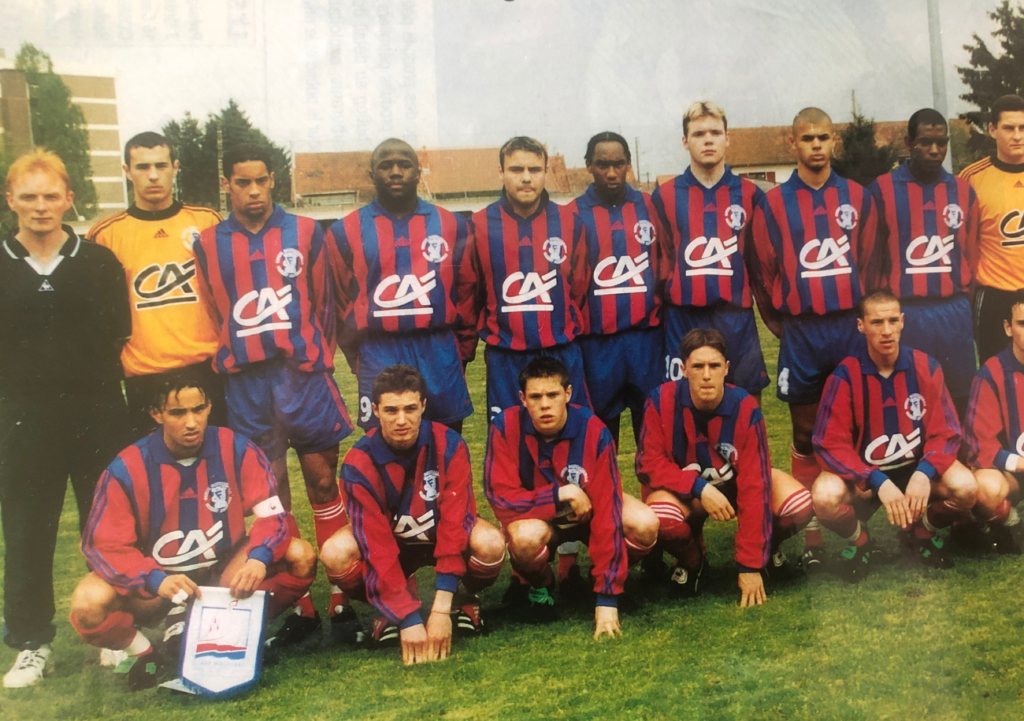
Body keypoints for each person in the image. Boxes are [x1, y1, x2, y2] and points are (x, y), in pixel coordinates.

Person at [192, 144, 354, 632]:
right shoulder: (208, 242)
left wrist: (311, 353)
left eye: (262, 181)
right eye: (243, 182)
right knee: (271, 493)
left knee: (323, 479)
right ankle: (299, 597)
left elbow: (325, 302)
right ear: (228, 185)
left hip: (301, 377)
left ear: (273, 181)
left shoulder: (305, 231)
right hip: (247, 384)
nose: (254, 191)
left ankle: (344, 592)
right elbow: (213, 309)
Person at [68, 376, 317, 690]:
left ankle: (235, 629)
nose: (191, 422)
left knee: (300, 555)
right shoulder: (126, 468)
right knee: (87, 604)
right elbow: (104, 546)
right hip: (159, 587)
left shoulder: (236, 448)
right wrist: (156, 580)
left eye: (198, 409)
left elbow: (273, 515)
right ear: (156, 413)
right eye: (177, 413)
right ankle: (143, 651)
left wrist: (258, 559)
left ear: (209, 406)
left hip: (223, 577)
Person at [0, 150, 131, 688]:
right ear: (10, 201)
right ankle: (33, 642)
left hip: (95, 412)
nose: (40, 207)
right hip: (23, 420)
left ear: (69, 199)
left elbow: (117, 336)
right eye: (28, 196)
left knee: (108, 529)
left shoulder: (98, 262)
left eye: (50, 195)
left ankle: (113, 630)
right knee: (28, 531)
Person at [751, 107, 879, 572]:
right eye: (808, 138)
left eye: (824, 137)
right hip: (802, 332)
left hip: (848, 326)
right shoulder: (774, 204)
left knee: (857, 429)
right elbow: (762, 274)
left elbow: (871, 263)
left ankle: (850, 518)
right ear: (793, 145)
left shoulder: (858, 198)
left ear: (834, 141)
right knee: (805, 433)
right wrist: (781, 324)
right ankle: (810, 532)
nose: (817, 145)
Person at [319, 365, 505, 662]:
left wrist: (441, 608)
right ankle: (390, 607)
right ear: (376, 411)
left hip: (439, 535)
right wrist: (408, 619)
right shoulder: (358, 463)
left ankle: (464, 597)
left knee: (491, 543)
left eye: (410, 408)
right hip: (394, 545)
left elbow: (455, 525)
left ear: (423, 407)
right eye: (391, 410)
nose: (402, 420)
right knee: (335, 553)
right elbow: (376, 546)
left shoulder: (450, 444)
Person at [484, 357, 659, 640]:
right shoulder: (504, 427)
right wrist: (558, 495)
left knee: (644, 523)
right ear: (522, 399)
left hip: (590, 514)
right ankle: (542, 585)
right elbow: (501, 498)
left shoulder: (594, 430)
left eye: (553, 395)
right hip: (542, 520)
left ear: (568, 393)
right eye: (535, 396)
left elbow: (608, 511)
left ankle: (600, 580)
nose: (544, 404)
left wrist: (607, 598)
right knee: (523, 537)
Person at [635, 329, 813, 605]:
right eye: (698, 366)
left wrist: (749, 565)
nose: (707, 374)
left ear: (726, 369)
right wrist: (699, 488)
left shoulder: (744, 407)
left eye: (714, 366)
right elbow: (648, 464)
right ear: (683, 369)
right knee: (661, 515)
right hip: (687, 492)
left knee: (798, 505)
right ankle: (694, 560)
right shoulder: (660, 401)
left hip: (735, 486)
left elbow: (755, 484)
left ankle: (767, 551)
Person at [811, 290, 976, 581]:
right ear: (861, 325)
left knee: (966, 487)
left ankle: (922, 533)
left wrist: (924, 473)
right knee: (824, 497)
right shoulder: (845, 376)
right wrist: (875, 479)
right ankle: (862, 542)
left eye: (891, 321)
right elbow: (828, 445)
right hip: (868, 480)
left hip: (915, 473)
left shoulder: (925, 367)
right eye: (876, 322)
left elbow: (947, 432)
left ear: (902, 322)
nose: (886, 331)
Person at [326, 138, 475, 434]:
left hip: (437, 347)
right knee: (383, 445)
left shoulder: (452, 225)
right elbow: (342, 303)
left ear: (419, 172)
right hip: (379, 348)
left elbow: (467, 292)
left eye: (404, 165)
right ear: (371, 174)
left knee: (445, 442)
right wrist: (359, 356)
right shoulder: (344, 231)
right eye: (386, 166)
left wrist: (460, 351)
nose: (396, 172)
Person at [88, 132, 226, 439]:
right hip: (145, 375)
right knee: (155, 478)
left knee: (215, 469)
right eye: (142, 167)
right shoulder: (106, 234)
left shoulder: (207, 221)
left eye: (161, 165)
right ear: (126, 171)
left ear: (175, 167)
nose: (153, 175)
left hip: (206, 367)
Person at [464, 136, 592, 422]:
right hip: (506, 356)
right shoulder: (478, 225)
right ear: (501, 172)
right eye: (516, 169)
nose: (526, 178)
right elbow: (472, 294)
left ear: (545, 172)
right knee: (508, 441)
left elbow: (579, 288)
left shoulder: (570, 223)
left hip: (561, 352)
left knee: (569, 439)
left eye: (534, 170)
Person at [651, 101, 770, 401]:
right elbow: (660, 259)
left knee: (745, 404)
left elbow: (758, 265)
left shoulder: (750, 194)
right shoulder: (664, 196)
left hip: (735, 319)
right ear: (685, 141)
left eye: (715, 132)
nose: (707, 140)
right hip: (683, 318)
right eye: (698, 133)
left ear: (727, 138)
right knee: (681, 406)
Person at [867, 109, 979, 417]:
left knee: (960, 399)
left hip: (953, 312)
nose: (934, 150)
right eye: (925, 142)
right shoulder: (882, 190)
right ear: (909, 143)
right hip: (907, 314)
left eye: (941, 142)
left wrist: (960, 302)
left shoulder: (963, 191)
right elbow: (872, 262)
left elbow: (971, 255)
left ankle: (958, 463)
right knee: (910, 400)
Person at [570, 131, 665, 446]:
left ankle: (657, 498)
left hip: (646, 341)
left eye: (619, 164)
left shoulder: (650, 206)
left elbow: (666, 262)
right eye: (602, 165)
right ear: (588, 166)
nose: (611, 172)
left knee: (654, 441)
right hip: (597, 347)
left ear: (628, 165)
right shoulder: (571, 214)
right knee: (599, 441)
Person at [959, 94, 1024, 363]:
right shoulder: (972, 178)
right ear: (992, 130)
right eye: (1009, 128)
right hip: (994, 296)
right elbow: (959, 241)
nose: (1017, 136)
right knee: (995, 375)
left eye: (1023, 128)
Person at [963, 289, 1024, 553]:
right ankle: (1011, 523)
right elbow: (979, 446)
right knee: (985, 488)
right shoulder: (991, 373)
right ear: (1008, 328)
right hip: (1012, 474)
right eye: (1022, 324)